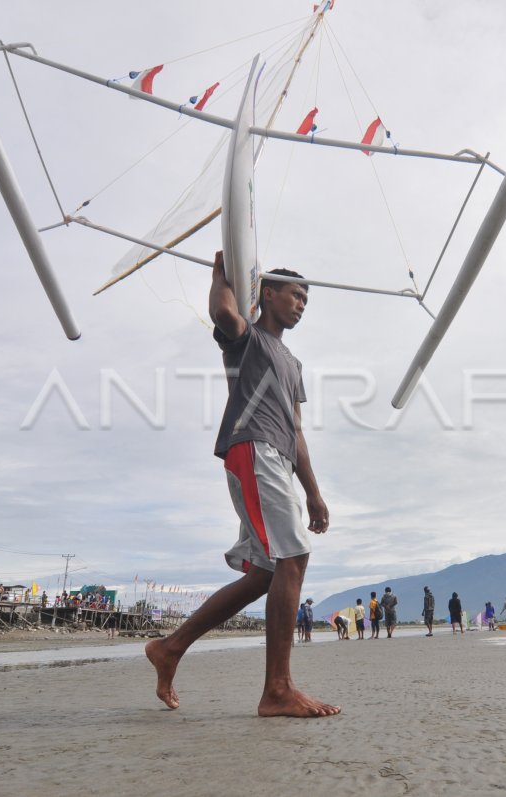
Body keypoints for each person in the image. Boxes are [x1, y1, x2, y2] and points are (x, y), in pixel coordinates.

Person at [145, 253, 339, 718]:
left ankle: (170, 648)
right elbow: (223, 314)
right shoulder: (247, 339)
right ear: (267, 294)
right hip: (252, 448)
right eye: (296, 294)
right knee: (293, 556)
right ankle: (278, 690)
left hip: (277, 457)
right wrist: (221, 276)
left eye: (307, 299)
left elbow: (297, 431)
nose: (302, 304)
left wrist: (312, 491)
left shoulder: (292, 362)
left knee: (266, 573)